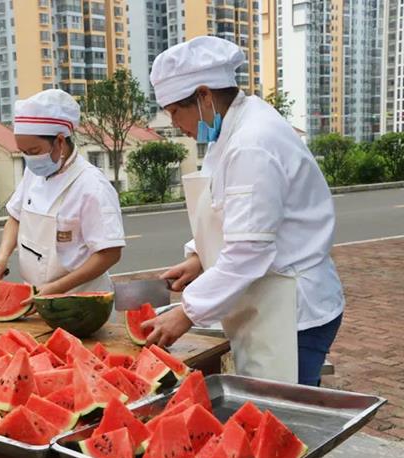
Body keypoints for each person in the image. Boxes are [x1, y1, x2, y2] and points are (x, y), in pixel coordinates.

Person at [143, 36, 344, 386]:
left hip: (292, 308)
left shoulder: (252, 142)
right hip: (269, 297)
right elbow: (233, 212)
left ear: (204, 95)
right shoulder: (234, 130)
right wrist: (198, 257)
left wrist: (187, 312)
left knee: (285, 418)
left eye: (175, 111)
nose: (174, 123)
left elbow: (249, 250)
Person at [0, 89, 125, 297]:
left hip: (81, 300)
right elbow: (15, 218)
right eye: (23, 153)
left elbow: (110, 253)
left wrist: (55, 288)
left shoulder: (91, 185)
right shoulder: (34, 173)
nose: (29, 159)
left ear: (60, 141)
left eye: (33, 151)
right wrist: (2, 256)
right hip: (36, 297)